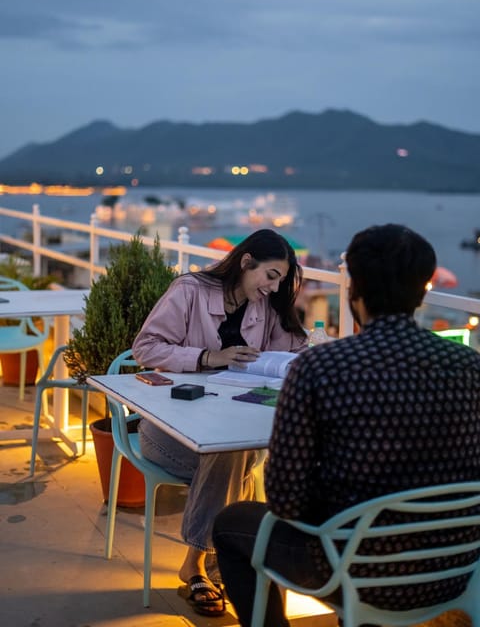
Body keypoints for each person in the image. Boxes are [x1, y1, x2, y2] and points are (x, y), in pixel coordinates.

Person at [213, 223, 480, 627]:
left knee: (232, 524)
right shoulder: (470, 367)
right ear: (424, 291)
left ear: (353, 290)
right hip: (450, 569)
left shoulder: (321, 367)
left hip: (354, 571)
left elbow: (285, 498)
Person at [132, 228, 307, 616]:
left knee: (232, 450)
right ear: (246, 263)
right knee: (231, 454)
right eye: (271, 276)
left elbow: (287, 351)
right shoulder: (189, 291)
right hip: (167, 429)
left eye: (280, 281)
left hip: (225, 419)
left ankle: (208, 562)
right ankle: (201, 563)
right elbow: (145, 347)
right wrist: (211, 357)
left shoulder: (265, 305)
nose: (275, 288)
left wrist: (305, 347)